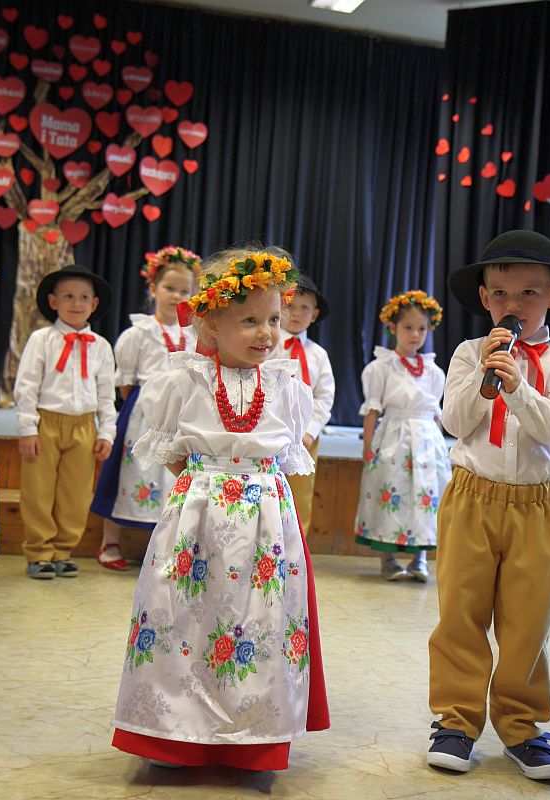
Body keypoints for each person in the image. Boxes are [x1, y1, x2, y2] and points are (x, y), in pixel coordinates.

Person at [112, 246, 330, 770]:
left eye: (273, 319)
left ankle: (253, 737)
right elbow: (170, 452)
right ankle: (175, 734)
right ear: (211, 322)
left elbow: (287, 456)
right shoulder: (183, 381)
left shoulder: (285, 386)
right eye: (249, 320)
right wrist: (207, 487)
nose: (266, 332)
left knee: (258, 621)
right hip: (198, 522)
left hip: (265, 526)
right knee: (186, 618)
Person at [427, 229, 550, 781]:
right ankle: (456, 721)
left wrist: (518, 388)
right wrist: (488, 378)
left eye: (530, 293)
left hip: (539, 505)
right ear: (485, 298)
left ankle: (523, 726)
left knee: (529, 620)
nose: (515, 305)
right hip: (472, 497)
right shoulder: (468, 353)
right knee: (460, 613)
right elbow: (454, 422)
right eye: (502, 294)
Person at [91, 246, 201, 571]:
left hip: (183, 414)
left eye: (184, 291)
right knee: (128, 473)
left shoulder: (195, 333)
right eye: (169, 288)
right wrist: (149, 404)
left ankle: (169, 548)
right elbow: (125, 384)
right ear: (153, 288)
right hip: (143, 414)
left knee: (174, 478)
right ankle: (109, 541)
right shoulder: (137, 333)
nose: (176, 296)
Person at [14, 264, 116, 579]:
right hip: (46, 423)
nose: (76, 303)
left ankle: (63, 551)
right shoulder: (42, 339)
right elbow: (26, 386)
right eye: (68, 296)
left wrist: (106, 432)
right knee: (39, 491)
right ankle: (39, 551)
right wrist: (27, 429)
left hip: (84, 427)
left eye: (84, 297)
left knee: (76, 494)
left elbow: (106, 394)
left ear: (94, 304)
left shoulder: (101, 346)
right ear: (53, 301)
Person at [354, 291, 450, 581]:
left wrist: (441, 447)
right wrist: (368, 448)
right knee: (390, 490)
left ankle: (420, 559)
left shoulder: (433, 371)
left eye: (422, 328)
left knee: (425, 496)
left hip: (426, 440)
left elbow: (436, 413)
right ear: (393, 328)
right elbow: (372, 410)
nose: (415, 335)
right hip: (393, 438)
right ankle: (388, 559)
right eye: (408, 327)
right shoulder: (381, 367)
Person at [273, 274, 334, 537]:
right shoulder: (268, 345)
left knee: (300, 495)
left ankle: (296, 550)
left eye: (305, 307)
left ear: (315, 314)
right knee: (268, 489)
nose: (296, 313)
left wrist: (310, 431)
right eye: (289, 305)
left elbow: (325, 397)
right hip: (270, 430)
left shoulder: (319, 355)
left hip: (304, 437)